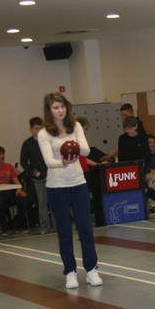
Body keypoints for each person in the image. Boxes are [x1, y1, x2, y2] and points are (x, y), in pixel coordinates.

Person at [38, 92, 103, 289]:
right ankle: (70, 272)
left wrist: (73, 146)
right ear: (49, 111)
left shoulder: (75, 126)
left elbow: (86, 150)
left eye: (62, 106)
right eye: (55, 107)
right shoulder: (44, 134)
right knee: (64, 230)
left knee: (85, 228)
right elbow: (49, 161)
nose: (60, 110)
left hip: (78, 183)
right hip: (56, 187)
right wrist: (63, 162)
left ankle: (91, 269)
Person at [20, 117, 52, 233]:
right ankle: (44, 227)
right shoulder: (27, 144)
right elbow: (23, 162)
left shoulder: (48, 141)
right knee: (42, 203)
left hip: (52, 175)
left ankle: (58, 226)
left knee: (55, 202)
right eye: (36, 129)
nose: (39, 131)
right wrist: (34, 172)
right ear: (31, 129)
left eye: (41, 129)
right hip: (39, 178)